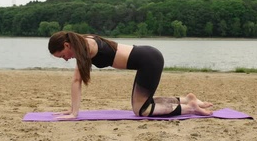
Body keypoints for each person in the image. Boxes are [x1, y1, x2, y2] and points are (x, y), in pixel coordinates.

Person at [48, 31, 213, 119]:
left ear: (67, 45)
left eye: (63, 55)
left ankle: (189, 108)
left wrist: (74, 113)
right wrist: (72, 109)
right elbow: (77, 80)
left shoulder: (86, 46)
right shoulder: (82, 42)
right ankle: (186, 99)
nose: (65, 59)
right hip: (147, 58)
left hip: (148, 60)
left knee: (142, 110)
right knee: (143, 104)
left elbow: (76, 80)